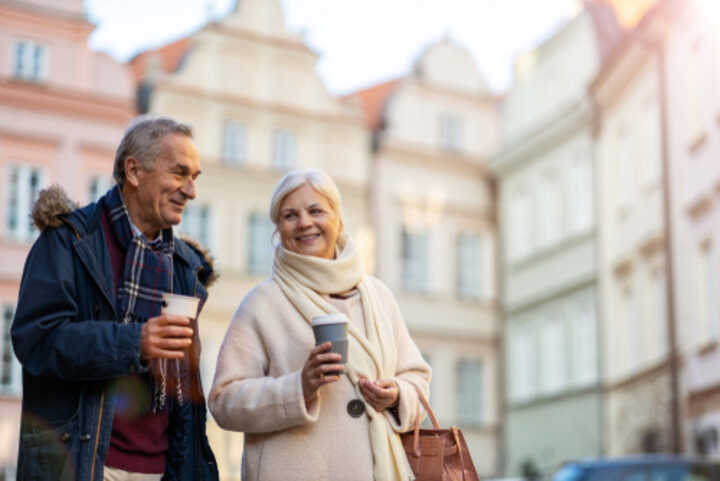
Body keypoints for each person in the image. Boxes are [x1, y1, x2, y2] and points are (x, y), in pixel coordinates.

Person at [11, 116, 219, 481]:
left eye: (195, 178)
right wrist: (134, 342)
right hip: (82, 466)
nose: (191, 191)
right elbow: (36, 342)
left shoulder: (186, 269)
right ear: (134, 171)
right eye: (179, 173)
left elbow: (186, 403)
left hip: (160, 470)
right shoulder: (69, 241)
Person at [209, 168, 431, 481]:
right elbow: (224, 402)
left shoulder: (379, 296)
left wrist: (395, 394)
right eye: (290, 215)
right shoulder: (262, 303)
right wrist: (298, 386)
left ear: (338, 220)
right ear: (277, 229)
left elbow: (417, 380)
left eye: (316, 211)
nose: (304, 223)